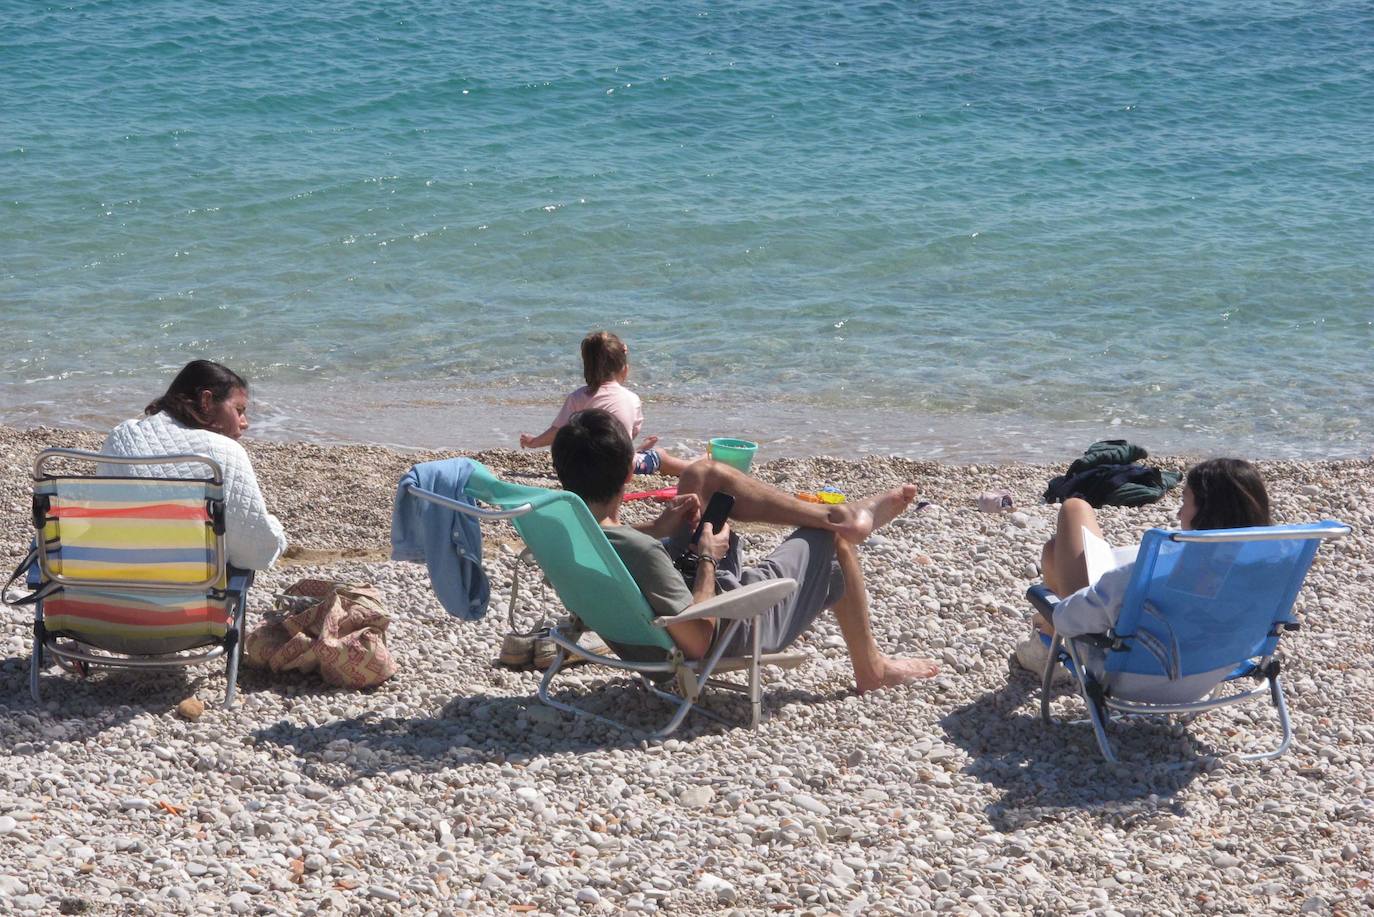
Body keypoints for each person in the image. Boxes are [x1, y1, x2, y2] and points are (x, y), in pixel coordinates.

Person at [550, 408, 939, 692]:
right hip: (728, 625)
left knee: (702, 475)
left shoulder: (567, 532)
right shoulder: (643, 553)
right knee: (830, 544)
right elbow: (700, 639)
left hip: (653, 615)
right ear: (629, 474)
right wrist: (707, 557)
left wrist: (658, 529)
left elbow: (620, 543)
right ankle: (871, 667)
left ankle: (835, 514)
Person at [1019, 457, 1273, 700]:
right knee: (1055, 550)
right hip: (1210, 671)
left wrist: (1052, 607)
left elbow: (1069, 619)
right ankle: (1042, 645)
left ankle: (1044, 646)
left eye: (1185, 502)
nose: (1178, 514)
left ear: (1206, 511)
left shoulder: (1155, 569)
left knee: (1075, 508)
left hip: (1127, 676)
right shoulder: (1263, 571)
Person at [100, 360, 288, 571]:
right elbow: (254, 554)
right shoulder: (222, 451)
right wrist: (276, 531)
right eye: (239, 410)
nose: (244, 423)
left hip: (112, 576)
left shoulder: (121, 436)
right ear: (206, 400)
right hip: (189, 593)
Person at [520, 331, 688, 476]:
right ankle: (693, 466)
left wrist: (534, 442)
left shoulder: (578, 397)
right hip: (617, 469)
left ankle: (637, 451)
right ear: (625, 369)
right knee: (659, 455)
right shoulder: (632, 398)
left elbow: (557, 431)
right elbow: (629, 434)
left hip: (579, 469)